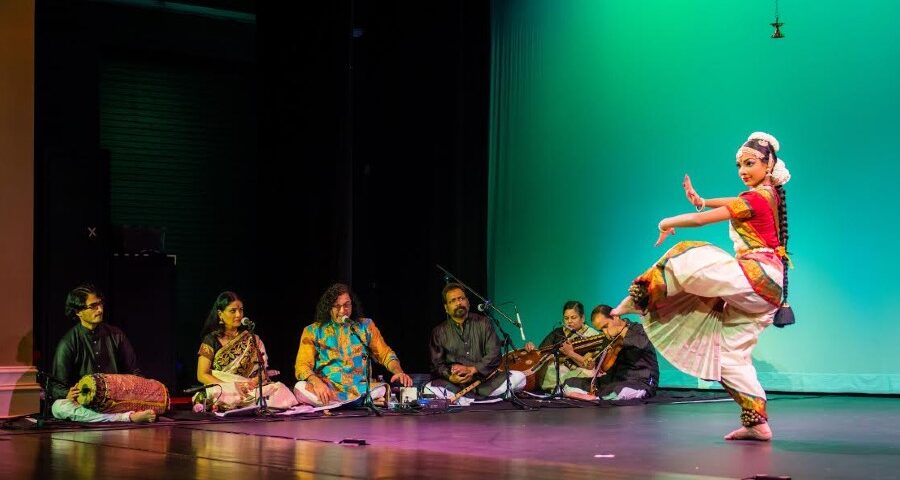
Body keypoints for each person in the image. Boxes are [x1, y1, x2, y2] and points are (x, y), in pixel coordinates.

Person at [611, 131, 792, 441]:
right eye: (738, 165)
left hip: (758, 275)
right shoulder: (768, 194)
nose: (743, 170)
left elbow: (701, 221)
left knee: (691, 254)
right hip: (769, 291)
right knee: (730, 359)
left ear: (768, 164)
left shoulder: (759, 197)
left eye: (749, 163)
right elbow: (733, 202)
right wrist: (702, 200)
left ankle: (640, 296)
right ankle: (756, 422)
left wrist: (667, 221)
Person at [50, 284, 156, 423]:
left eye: (100, 304)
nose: (100, 310)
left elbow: (134, 371)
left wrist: (138, 390)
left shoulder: (116, 335)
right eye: (93, 306)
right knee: (58, 407)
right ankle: (126, 418)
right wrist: (67, 393)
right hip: (86, 404)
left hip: (117, 400)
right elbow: (56, 386)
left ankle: (120, 415)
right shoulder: (68, 342)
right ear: (78, 312)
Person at [294, 283, 413, 406]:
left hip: (359, 388)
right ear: (329, 307)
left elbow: (385, 354)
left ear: (352, 304)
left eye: (346, 305)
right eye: (337, 306)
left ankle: (340, 404)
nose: (342, 311)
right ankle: (360, 403)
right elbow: (302, 365)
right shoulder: (313, 331)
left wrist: (398, 372)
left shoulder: (365, 326)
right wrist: (317, 383)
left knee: (380, 389)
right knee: (300, 387)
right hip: (328, 389)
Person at [194, 291, 297, 411]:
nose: (238, 315)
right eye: (233, 311)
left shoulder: (252, 338)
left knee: (279, 389)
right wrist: (231, 386)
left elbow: (262, 370)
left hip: (250, 388)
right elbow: (202, 375)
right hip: (225, 387)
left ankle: (239, 405)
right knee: (217, 392)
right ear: (220, 314)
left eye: (241, 310)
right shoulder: (211, 340)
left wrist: (252, 382)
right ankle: (241, 404)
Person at [426, 283, 526, 403]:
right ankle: (490, 398)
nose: (458, 303)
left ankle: (467, 400)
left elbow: (494, 354)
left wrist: (473, 369)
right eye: (453, 301)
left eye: (461, 298)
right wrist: (451, 376)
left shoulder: (484, 323)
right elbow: (436, 365)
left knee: (520, 377)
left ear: (468, 302)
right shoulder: (438, 332)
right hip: (456, 384)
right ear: (446, 308)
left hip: (485, 381)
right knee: (429, 388)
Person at [563, 304, 659, 401]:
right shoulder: (608, 338)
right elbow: (604, 366)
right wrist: (595, 363)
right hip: (613, 381)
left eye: (606, 326)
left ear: (615, 316)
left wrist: (623, 334)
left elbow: (643, 343)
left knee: (619, 390)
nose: (605, 332)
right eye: (601, 330)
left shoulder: (639, 329)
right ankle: (600, 397)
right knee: (570, 382)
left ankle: (598, 397)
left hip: (640, 381)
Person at [523, 300, 601, 392]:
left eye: (573, 317)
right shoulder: (558, 333)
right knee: (549, 369)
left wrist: (570, 353)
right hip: (560, 370)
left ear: (582, 318)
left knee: (589, 373)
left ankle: (565, 389)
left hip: (581, 370)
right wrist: (531, 348)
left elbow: (589, 365)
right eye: (566, 318)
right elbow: (541, 353)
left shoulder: (592, 336)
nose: (569, 321)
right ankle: (564, 389)